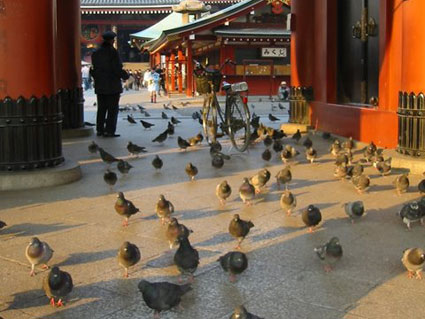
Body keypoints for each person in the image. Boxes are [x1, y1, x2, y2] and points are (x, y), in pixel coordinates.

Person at [90, 31, 129, 137]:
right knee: (112, 110)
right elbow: (116, 68)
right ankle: (109, 130)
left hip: (100, 86)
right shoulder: (113, 52)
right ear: (112, 40)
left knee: (101, 109)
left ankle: (100, 130)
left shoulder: (96, 52)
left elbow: (93, 69)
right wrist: (125, 76)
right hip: (112, 86)